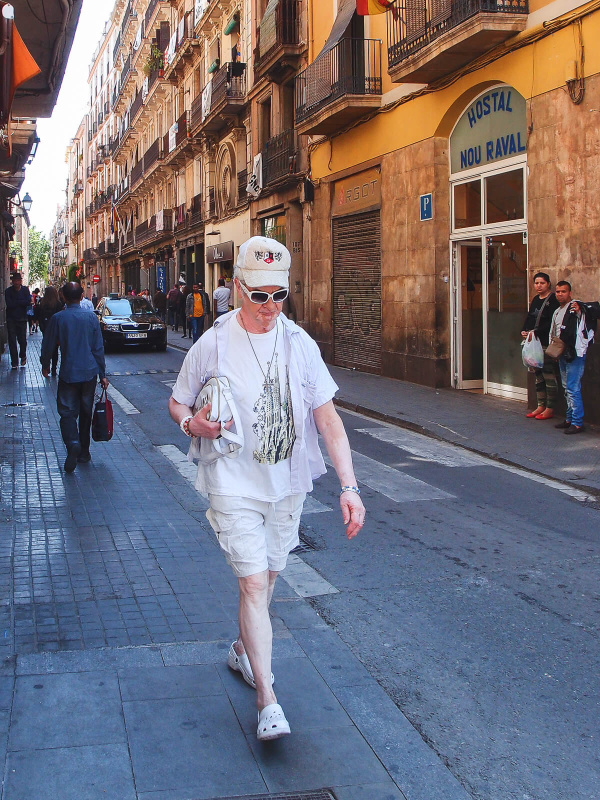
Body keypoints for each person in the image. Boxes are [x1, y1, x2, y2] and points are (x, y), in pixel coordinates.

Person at [168, 236, 365, 742]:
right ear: (236, 289)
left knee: (271, 576)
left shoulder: (300, 344)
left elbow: (329, 421)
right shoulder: (211, 342)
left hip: (286, 485)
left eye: (280, 295)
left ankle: (241, 651)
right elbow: (178, 403)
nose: (270, 307)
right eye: (259, 296)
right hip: (232, 480)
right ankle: (267, 699)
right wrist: (195, 426)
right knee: (254, 583)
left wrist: (349, 486)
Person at [41, 282, 109, 472]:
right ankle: (84, 452)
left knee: (67, 412)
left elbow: (48, 344)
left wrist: (45, 364)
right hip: (89, 373)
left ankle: (72, 443)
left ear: (63, 296)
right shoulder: (91, 318)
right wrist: (102, 374)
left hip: (69, 372)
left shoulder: (58, 318)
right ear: (81, 297)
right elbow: (98, 348)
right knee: (86, 412)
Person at [549, 281, 599, 434]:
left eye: (563, 291)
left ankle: (577, 422)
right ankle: (569, 418)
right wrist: (554, 351)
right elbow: (554, 332)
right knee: (566, 388)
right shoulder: (557, 311)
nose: (560, 294)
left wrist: (578, 309)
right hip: (562, 353)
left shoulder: (575, 307)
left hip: (575, 354)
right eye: (557, 291)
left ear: (569, 292)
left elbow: (583, 316)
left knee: (572, 388)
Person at [521, 272, 560, 420]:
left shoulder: (552, 300)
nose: (538, 286)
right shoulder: (536, 299)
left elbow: (551, 322)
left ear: (548, 284)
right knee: (538, 376)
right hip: (533, 343)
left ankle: (550, 407)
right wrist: (524, 330)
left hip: (545, 342)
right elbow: (530, 316)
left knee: (548, 375)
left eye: (542, 283)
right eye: (536, 283)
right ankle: (540, 405)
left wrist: (535, 331)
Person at [4, 272, 32, 369]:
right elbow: (10, 304)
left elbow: (28, 302)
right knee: (12, 340)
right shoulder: (8, 291)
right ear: (12, 281)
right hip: (11, 319)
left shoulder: (25, 290)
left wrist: (19, 302)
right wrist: (22, 302)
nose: (16, 282)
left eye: (18, 280)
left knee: (22, 340)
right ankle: (14, 362)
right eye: (14, 280)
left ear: (20, 281)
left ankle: (23, 355)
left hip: (22, 319)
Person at [35, 286, 63, 376]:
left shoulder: (42, 303)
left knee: (46, 347)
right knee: (55, 349)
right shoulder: (58, 304)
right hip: (55, 329)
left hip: (46, 328)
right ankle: (54, 369)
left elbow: (39, 315)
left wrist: (41, 326)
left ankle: (46, 366)